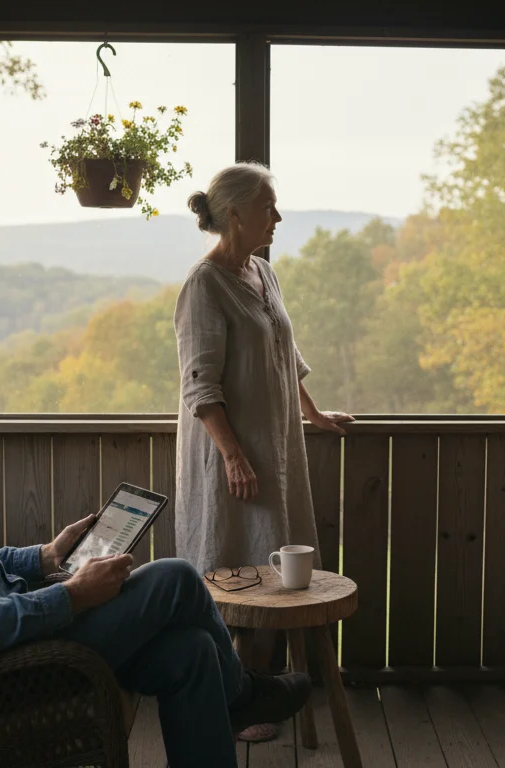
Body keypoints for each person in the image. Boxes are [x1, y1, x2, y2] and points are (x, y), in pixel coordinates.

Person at [0, 347, 310, 768]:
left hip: (12, 643)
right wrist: (72, 596)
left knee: (192, 652)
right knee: (176, 578)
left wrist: (43, 558)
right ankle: (243, 699)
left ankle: (238, 696)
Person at [175, 163, 354, 742]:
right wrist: (231, 456)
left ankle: (262, 689)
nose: (277, 217)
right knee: (235, 569)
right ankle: (236, 700)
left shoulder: (262, 274)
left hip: (276, 450)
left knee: (277, 568)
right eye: (269, 207)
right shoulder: (204, 285)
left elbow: (285, 356)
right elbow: (201, 385)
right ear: (235, 215)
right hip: (234, 458)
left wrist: (315, 415)